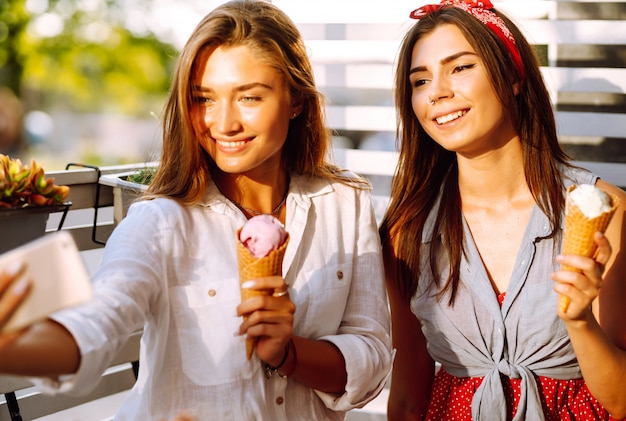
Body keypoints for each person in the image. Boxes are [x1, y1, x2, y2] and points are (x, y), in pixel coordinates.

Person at [0, 1, 392, 419]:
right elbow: (98, 318)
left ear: (296, 99)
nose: (223, 123)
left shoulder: (344, 204)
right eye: (204, 98)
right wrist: (15, 351)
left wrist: (288, 352)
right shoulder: (161, 221)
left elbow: (371, 356)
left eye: (249, 97)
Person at [378, 1, 626, 420]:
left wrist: (580, 321)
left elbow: (620, 401)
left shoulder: (606, 210)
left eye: (460, 68)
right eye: (420, 80)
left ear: (512, 75)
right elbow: (406, 393)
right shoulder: (407, 230)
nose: (437, 91)